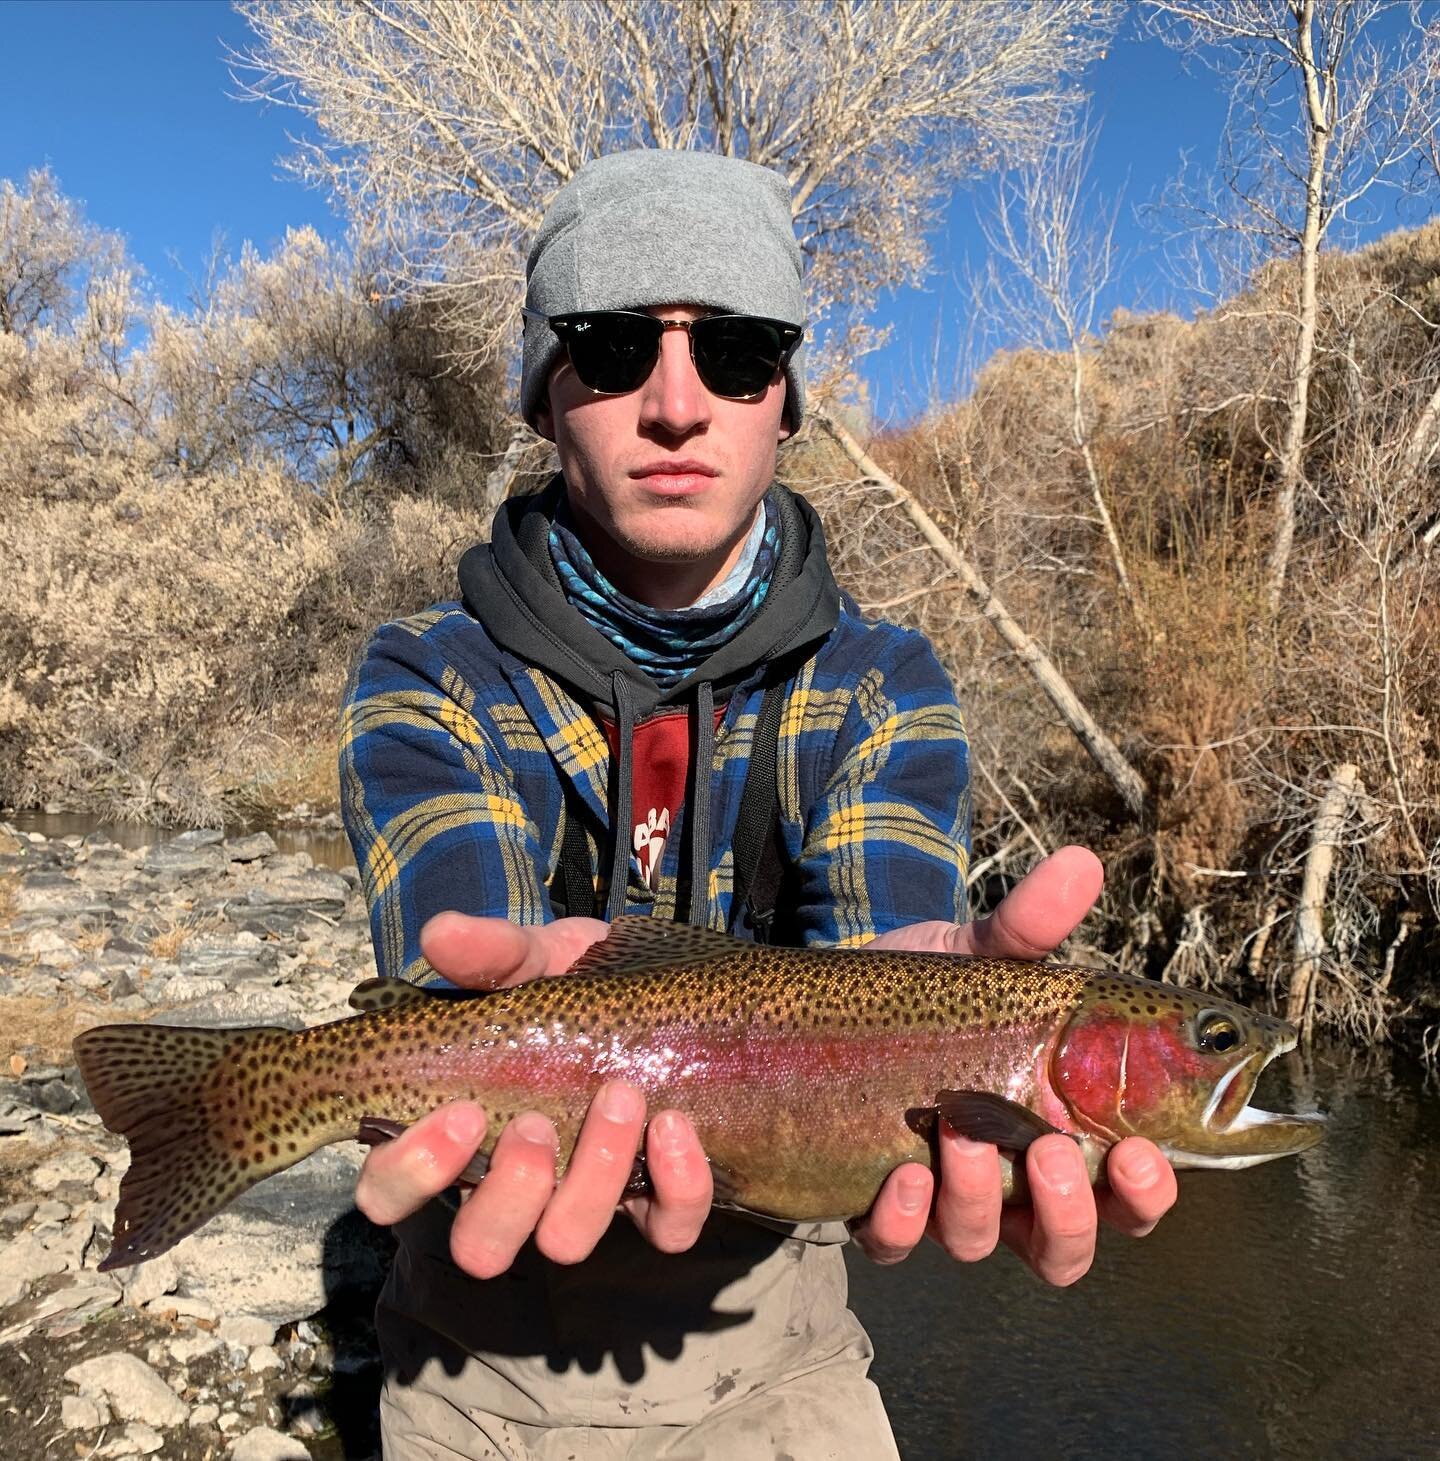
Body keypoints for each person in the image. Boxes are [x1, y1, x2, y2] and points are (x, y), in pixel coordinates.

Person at [339, 149, 1177, 1461]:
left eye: (734, 352)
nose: (677, 402)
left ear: (783, 398)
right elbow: (453, 947)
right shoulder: (427, 675)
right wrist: (505, 1000)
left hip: (782, 1365)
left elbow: (882, 952)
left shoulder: (882, 685)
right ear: (545, 397)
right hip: (474, 1359)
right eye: (614, 347)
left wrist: (923, 1017)